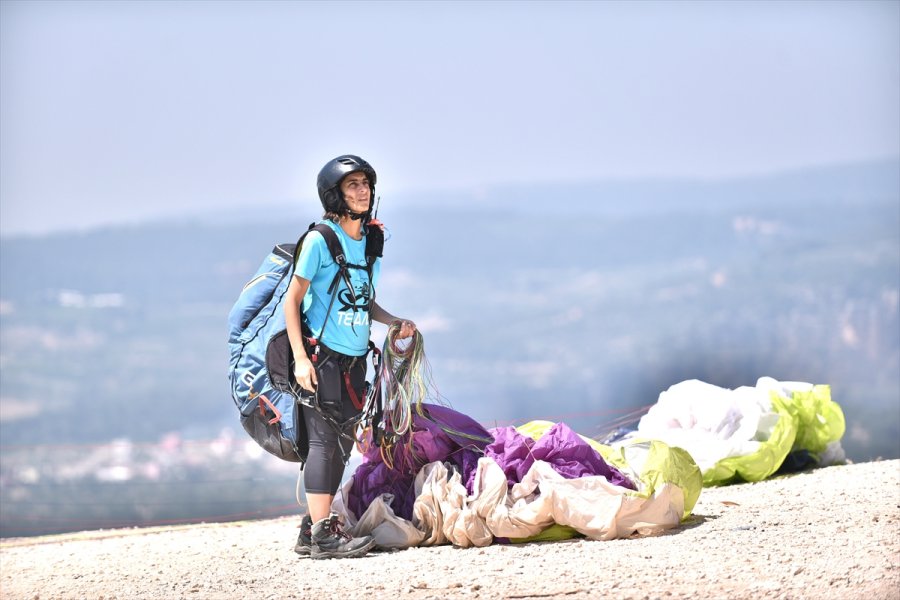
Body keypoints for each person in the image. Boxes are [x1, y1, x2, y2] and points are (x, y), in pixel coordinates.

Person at [284, 154, 416, 559]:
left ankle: (312, 529)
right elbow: (293, 300)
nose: (362, 191)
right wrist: (301, 360)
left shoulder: (370, 240)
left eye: (365, 184)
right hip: (320, 358)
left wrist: (393, 321)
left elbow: (362, 298)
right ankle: (325, 536)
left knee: (342, 442)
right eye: (352, 185)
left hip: (356, 359)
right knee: (323, 442)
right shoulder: (319, 240)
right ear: (334, 194)